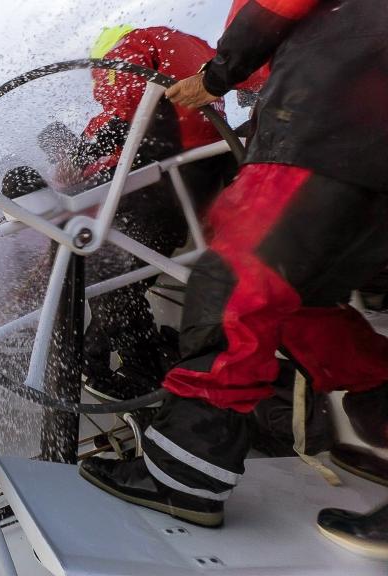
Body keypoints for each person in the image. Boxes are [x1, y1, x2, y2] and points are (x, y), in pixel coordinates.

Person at [80, 0, 388, 545]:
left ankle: (182, 474)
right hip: (369, 146)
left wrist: (220, 74)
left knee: (233, 285)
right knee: (306, 305)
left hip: (327, 118)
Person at [44, 25, 237, 404]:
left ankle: (144, 371)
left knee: (106, 274)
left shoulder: (128, 48)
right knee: (122, 279)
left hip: (163, 182)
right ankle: (98, 358)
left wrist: (81, 158)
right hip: (205, 178)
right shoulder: (190, 46)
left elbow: (127, 108)